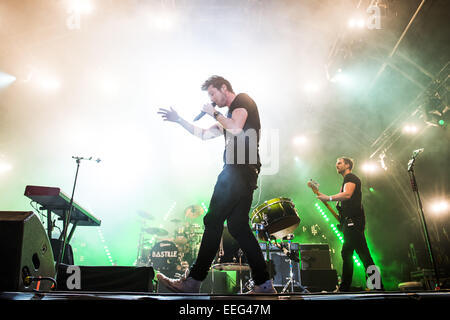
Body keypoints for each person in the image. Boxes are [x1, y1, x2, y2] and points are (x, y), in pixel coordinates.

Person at [157, 75, 275, 294]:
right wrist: (180, 120)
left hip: (237, 171)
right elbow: (203, 134)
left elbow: (237, 128)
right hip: (244, 173)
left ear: (224, 88)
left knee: (212, 219)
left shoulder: (242, 100)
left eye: (212, 93)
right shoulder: (227, 117)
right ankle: (264, 285)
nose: (212, 99)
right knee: (238, 227)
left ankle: (193, 281)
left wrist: (215, 113)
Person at [316, 157, 383, 291]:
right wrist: (320, 193)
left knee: (356, 254)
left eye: (339, 163)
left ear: (347, 165)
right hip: (350, 223)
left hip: (353, 223)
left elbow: (347, 195)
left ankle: (359, 287)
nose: (337, 165)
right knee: (354, 254)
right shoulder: (346, 181)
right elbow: (342, 199)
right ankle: (373, 286)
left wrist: (328, 198)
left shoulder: (350, 177)